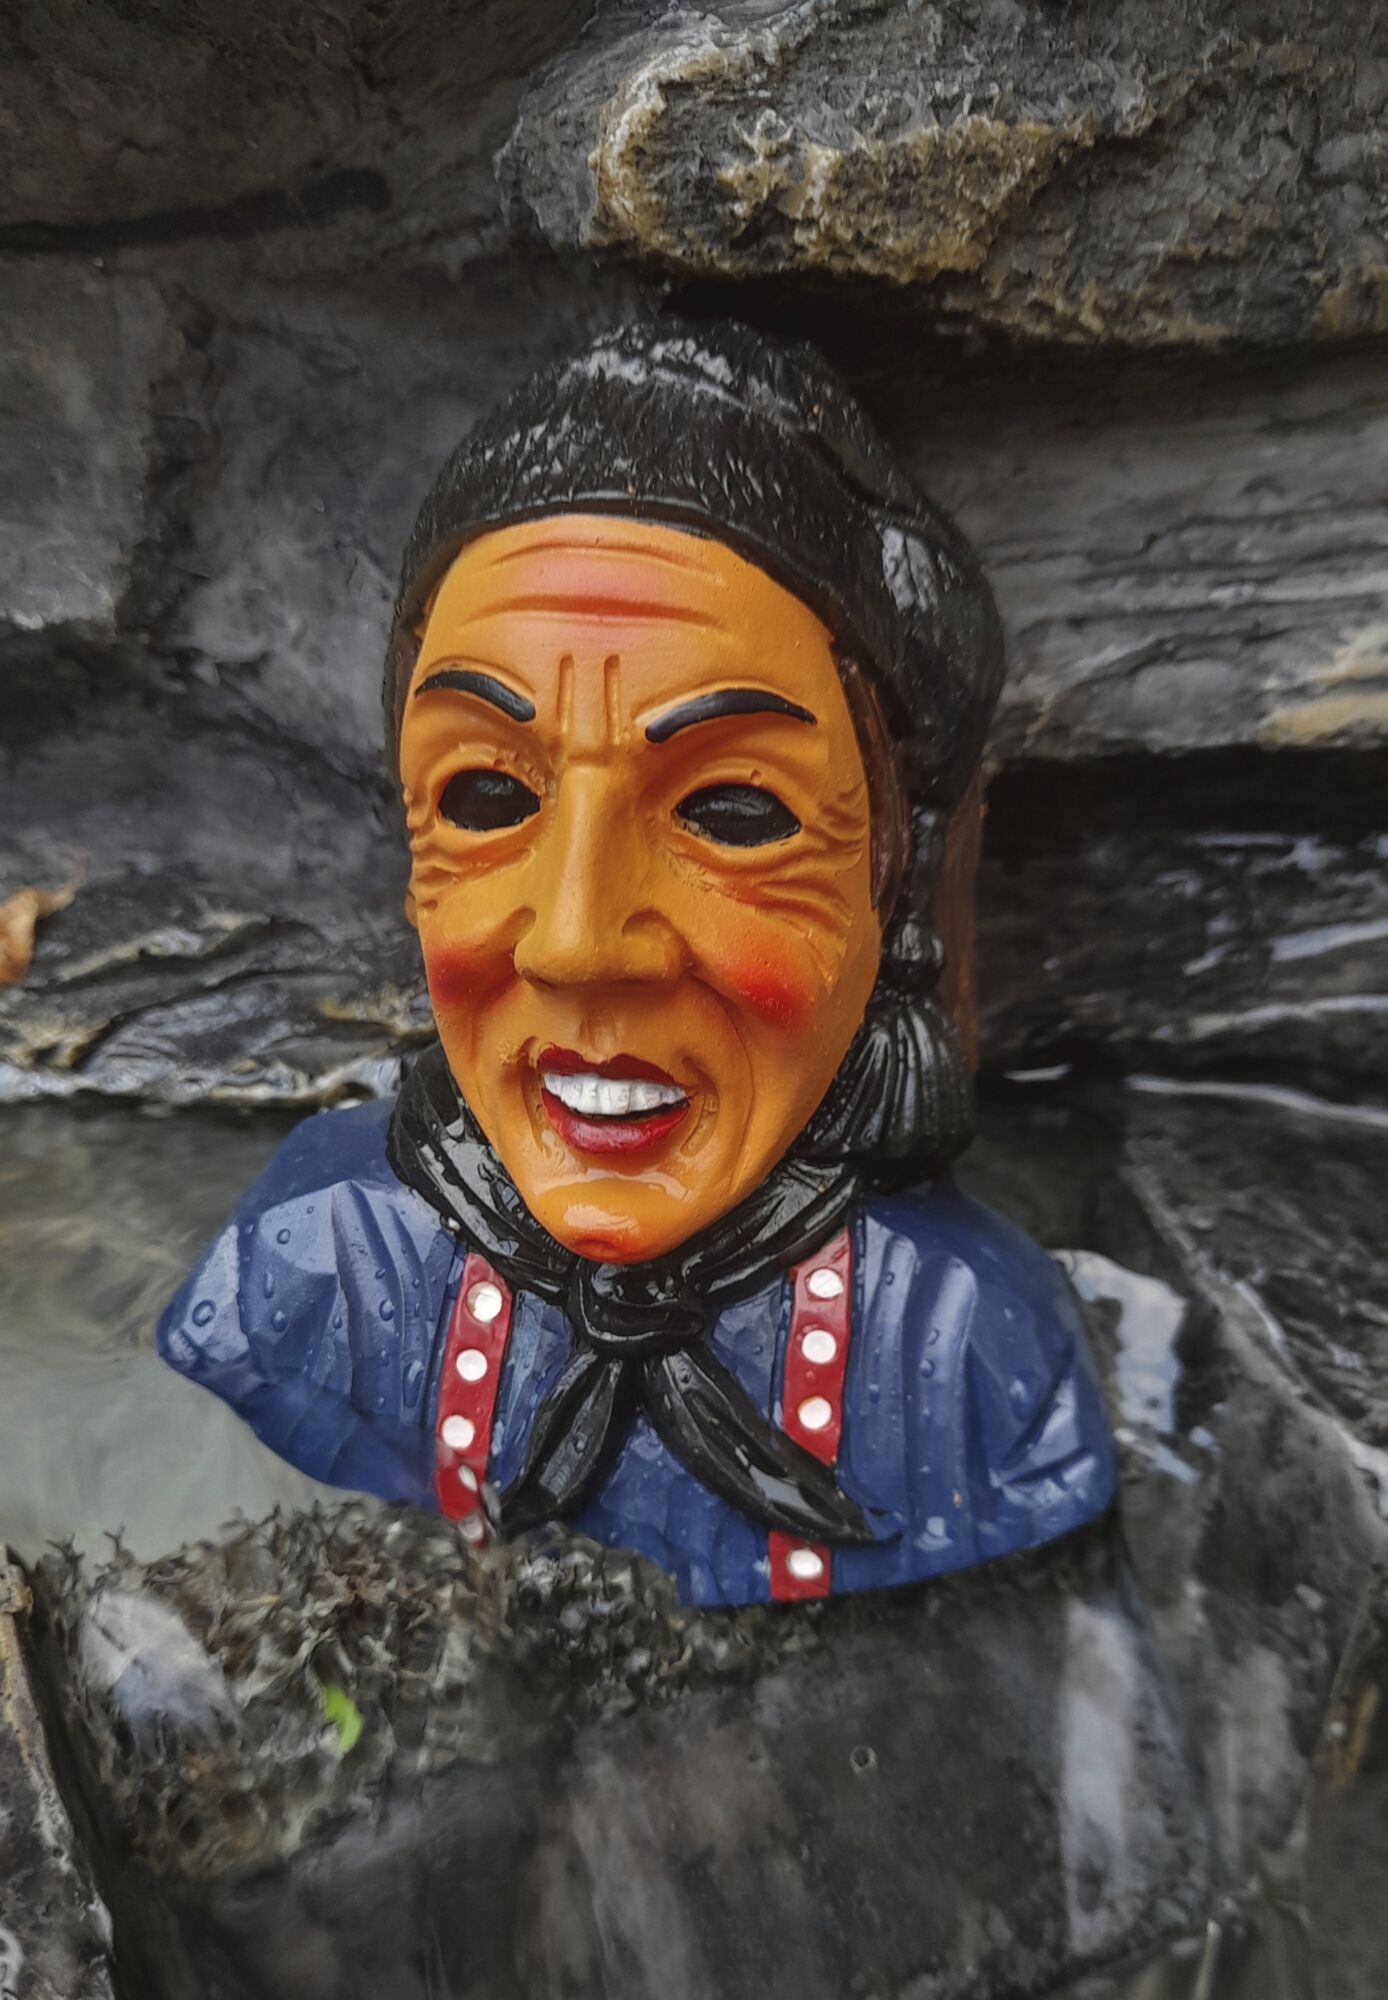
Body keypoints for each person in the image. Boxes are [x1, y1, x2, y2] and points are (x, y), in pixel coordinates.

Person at [158, 323, 1115, 1608]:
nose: (573, 939)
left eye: (731, 810)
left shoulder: (970, 1359)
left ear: (888, 875)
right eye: (488, 793)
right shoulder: (310, 1271)